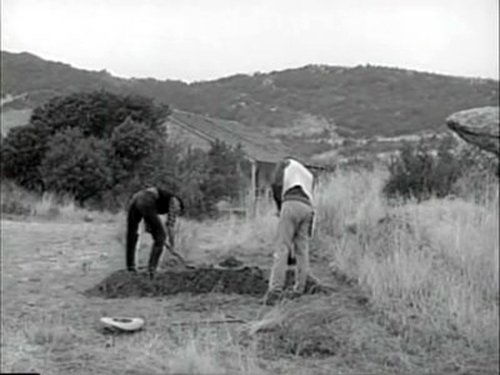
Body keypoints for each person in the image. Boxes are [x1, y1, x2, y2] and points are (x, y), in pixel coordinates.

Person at [264, 157, 316, 305]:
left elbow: (276, 184)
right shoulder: (308, 174)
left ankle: (275, 291)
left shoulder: (285, 163)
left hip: (290, 203)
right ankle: (299, 289)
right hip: (307, 208)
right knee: (302, 251)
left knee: (282, 248)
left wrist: (280, 208)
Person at [126, 187, 184, 278]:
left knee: (131, 234)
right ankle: (152, 270)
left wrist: (151, 229)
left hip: (135, 198)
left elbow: (148, 219)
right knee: (161, 237)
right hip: (146, 199)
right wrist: (172, 246)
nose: (177, 213)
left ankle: (130, 268)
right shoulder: (175, 201)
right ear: (179, 206)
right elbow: (170, 226)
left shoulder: (160, 203)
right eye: (178, 211)